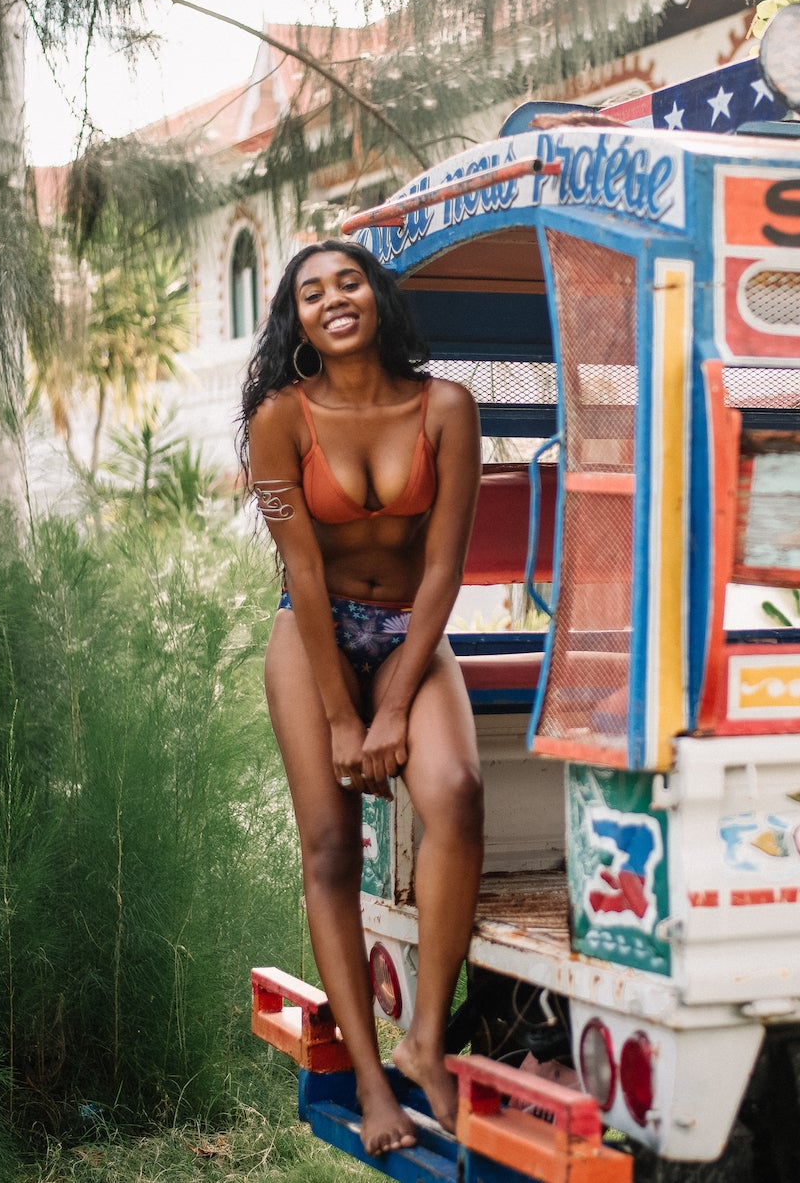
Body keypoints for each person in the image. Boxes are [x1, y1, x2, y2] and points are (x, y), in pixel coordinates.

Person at [239, 239, 483, 1153]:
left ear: (376, 297)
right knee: (331, 843)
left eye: (349, 282)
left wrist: (393, 707)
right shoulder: (280, 419)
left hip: (408, 629)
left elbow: (445, 568)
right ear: (296, 319)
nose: (333, 299)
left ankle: (427, 1037)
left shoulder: (447, 408)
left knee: (456, 790)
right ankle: (374, 1081)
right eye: (312, 292)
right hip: (314, 633)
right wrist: (345, 717)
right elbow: (301, 570)